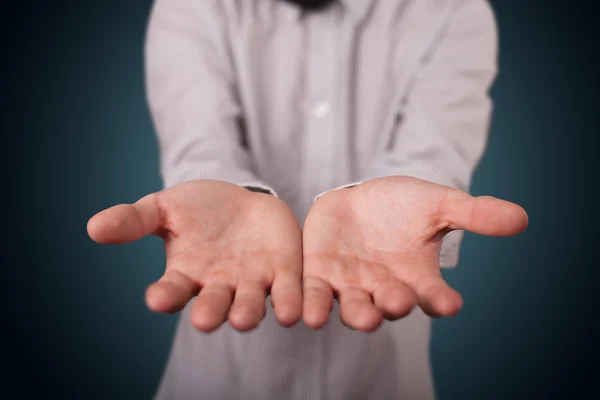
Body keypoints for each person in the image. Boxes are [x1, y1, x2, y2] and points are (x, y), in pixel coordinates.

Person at [87, 0, 528, 398]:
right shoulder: (194, 7)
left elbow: (435, 148)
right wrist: (219, 195)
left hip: (384, 379)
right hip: (218, 379)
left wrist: (416, 196)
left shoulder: (451, 11)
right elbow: (200, 142)